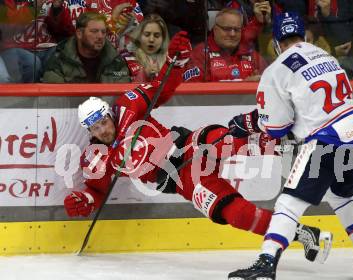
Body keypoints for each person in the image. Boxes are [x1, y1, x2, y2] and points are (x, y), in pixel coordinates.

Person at [64, 31, 332, 263]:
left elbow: (163, 88)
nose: (103, 129)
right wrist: (84, 200)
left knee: (221, 138)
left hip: (187, 146)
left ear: (109, 114)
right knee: (233, 213)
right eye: (95, 128)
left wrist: (174, 62)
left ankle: (293, 143)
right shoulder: (95, 158)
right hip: (183, 180)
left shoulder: (128, 105)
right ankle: (301, 234)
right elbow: (95, 190)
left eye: (103, 122)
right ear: (90, 132)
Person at [226, 11, 353, 280]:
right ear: (304, 35)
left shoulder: (276, 70)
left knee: (288, 204)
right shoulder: (326, 56)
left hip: (328, 140)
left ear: (275, 41)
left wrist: (247, 122)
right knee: (341, 195)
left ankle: (266, 265)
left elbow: (277, 128)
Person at [42, 11, 131, 83]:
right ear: (79, 34)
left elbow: (123, 93)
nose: (100, 36)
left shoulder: (115, 60)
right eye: (94, 31)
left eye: (103, 32)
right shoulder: (60, 60)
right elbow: (53, 99)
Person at [185, 8, 267, 82]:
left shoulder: (252, 55)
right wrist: (243, 85)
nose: (232, 34)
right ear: (215, 30)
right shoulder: (200, 55)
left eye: (237, 29)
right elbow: (195, 94)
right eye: (227, 29)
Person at [122, 13, 170, 82]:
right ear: (139, 36)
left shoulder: (172, 60)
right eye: (147, 35)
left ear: (163, 39)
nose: (151, 39)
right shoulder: (126, 57)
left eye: (156, 36)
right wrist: (144, 74)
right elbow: (121, 87)